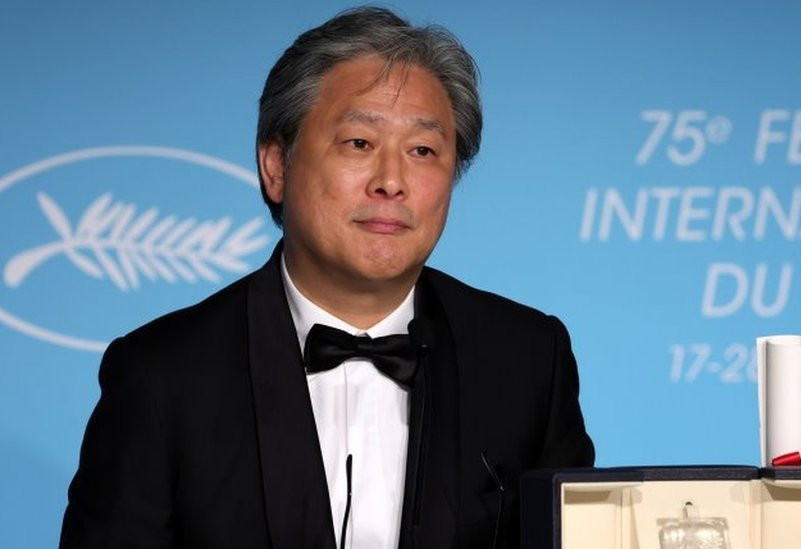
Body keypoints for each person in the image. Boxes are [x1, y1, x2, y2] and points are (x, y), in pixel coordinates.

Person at [59, 7, 594, 549]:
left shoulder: (527, 360)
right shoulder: (162, 376)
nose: (391, 181)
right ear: (276, 166)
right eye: (359, 143)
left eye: (423, 151)